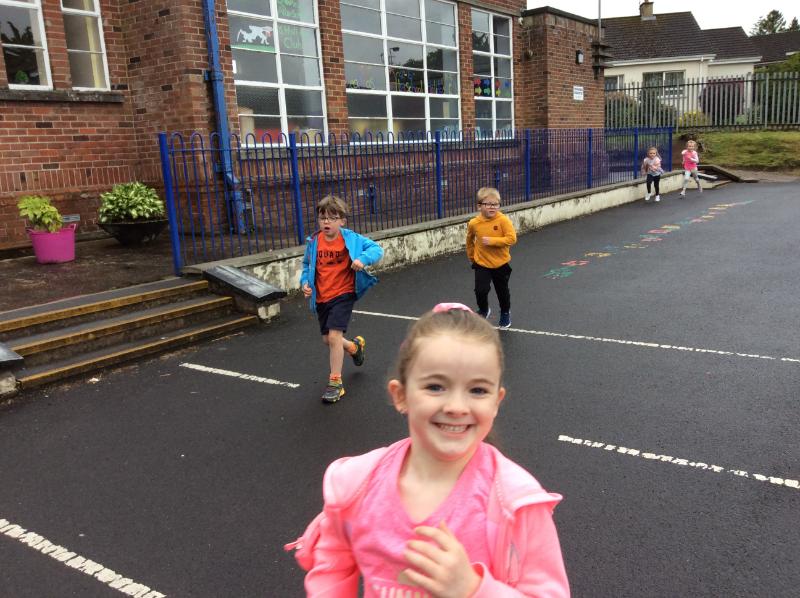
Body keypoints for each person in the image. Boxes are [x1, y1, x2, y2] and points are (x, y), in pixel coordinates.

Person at [286, 303, 570, 597]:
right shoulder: (358, 484)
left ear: (496, 402)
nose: (456, 407)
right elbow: (332, 563)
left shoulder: (515, 503)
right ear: (400, 395)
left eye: (477, 390)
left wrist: (473, 589)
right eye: (435, 387)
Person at [300, 194, 384, 403]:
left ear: (342, 221)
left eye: (332, 218)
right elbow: (307, 265)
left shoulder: (351, 238)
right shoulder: (313, 242)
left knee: (334, 336)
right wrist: (305, 283)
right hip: (322, 296)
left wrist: (362, 259)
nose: (326, 222)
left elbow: (376, 249)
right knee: (327, 339)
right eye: (322, 218)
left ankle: (335, 382)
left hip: (344, 293)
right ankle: (354, 348)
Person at [466, 187, 517, 329]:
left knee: (502, 291)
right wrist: (472, 257)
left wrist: (493, 241)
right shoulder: (474, 223)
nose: (492, 207)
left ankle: (505, 312)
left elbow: (512, 238)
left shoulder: (503, 220)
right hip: (481, 263)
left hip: (501, 264)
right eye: (488, 204)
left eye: (495, 204)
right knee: (480, 290)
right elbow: (469, 241)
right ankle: (484, 310)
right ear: (479, 206)